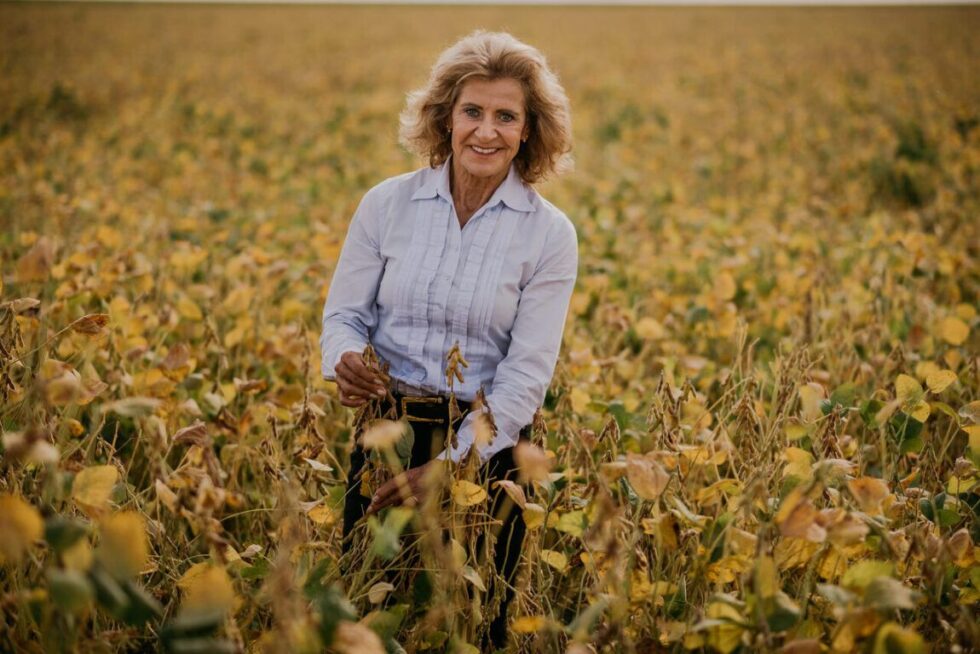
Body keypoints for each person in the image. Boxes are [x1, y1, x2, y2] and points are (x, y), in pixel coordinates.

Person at [320, 30, 577, 649]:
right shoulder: (387, 205)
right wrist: (344, 358)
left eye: (506, 117)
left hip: (492, 452)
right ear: (445, 118)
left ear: (528, 131)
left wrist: (452, 465)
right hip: (389, 436)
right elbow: (344, 315)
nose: (486, 132)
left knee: (475, 626)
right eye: (472, 112)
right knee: (369, 617)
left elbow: (525, 375)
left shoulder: (549, 235)